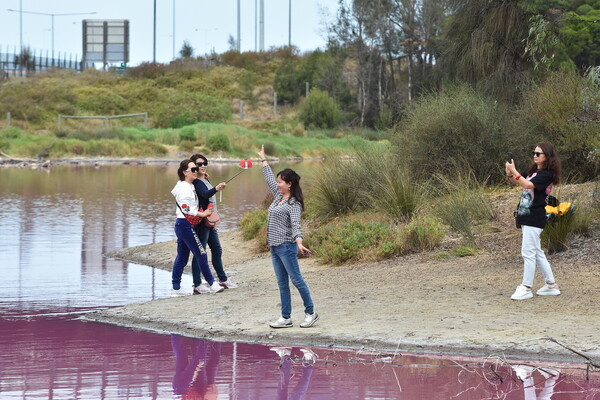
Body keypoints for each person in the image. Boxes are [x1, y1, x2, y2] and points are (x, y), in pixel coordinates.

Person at [257, 145, 319, 328]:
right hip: (274, 247)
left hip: (286, 247)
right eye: (277, 182)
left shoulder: (294, 204)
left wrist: (299, 242)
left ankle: (310, 313)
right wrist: (263, 159)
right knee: (282, 283)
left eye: (281, 182)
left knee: (297, 280)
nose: (277, 184)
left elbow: (296, 225)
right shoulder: (278, 197)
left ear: (289, 184)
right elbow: (268, 179)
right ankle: (286, 318)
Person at [505, 142, 561, 300]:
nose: (535, 156)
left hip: (535, 216)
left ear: (547, 157)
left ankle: (526, 287)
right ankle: (551, 285)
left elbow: (528, 184)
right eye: (534, 153)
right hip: (525, 215)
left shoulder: (547, 175)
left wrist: (514, 171)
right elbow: (517, 181)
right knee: (537, 252)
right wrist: (510, 171)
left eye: (538, 154)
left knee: (528, 253)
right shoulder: (533, 170)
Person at [171, 159, 224, 296]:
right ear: (184, 172)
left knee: (182, 258)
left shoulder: (187, 185)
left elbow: (201, 192)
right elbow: (185, 207)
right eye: (193, 169)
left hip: (184, 225)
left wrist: (204, 178)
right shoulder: (184, 188)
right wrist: (202, 213)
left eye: (196, 169)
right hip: (184, 225)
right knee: (201, 253)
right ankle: (212, 284)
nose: (196, 171)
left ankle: (176, 288)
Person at [189, 154, 237, 291]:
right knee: (200, 251)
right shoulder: (196, 182)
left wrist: (209, 181)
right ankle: (197, 284)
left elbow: (208, 194)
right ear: (193, 167)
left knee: (217, 249)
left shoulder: (203, 179)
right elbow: (205, 194)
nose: (203, 166)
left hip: (210, 221)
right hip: (201, 221)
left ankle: (223, 280)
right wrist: (216, 188)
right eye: (199, 164)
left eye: (205, 163)